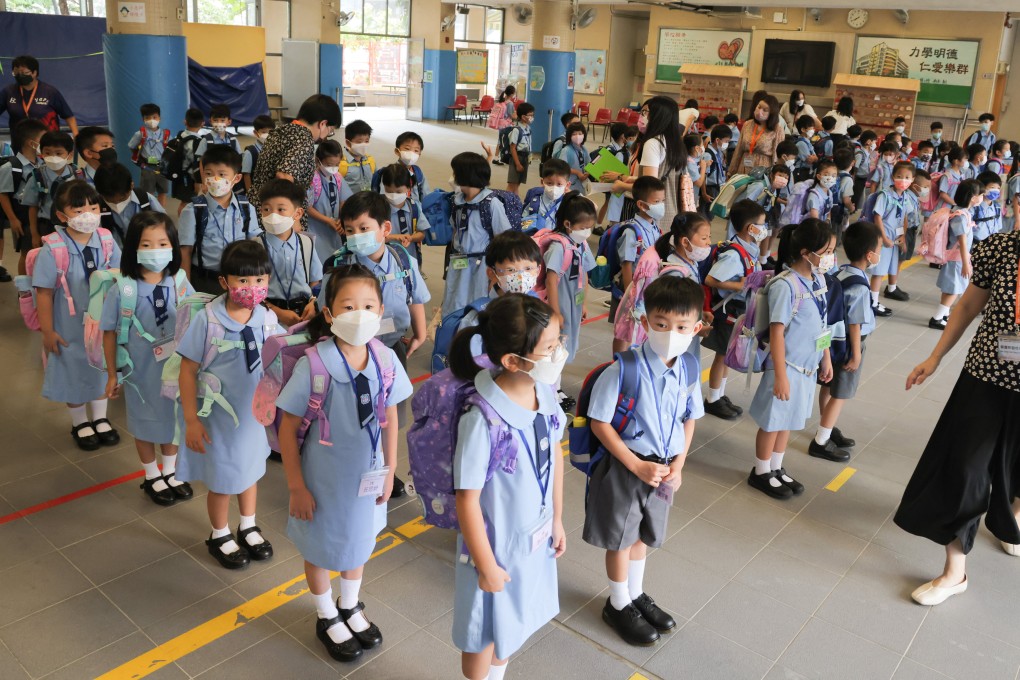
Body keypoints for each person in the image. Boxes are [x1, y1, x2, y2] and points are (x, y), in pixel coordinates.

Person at [277, 264, 412, 663]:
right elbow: (287, 429)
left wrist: (390, 468)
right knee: (320, 547)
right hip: (323, 481)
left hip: (368, 477)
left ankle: (349, 604)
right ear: (329, 313)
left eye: (368, 306)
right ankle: (325, 613)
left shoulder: (385, 359)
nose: (360, 314)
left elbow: (390, 417)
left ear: (381, 310)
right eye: (348, 306)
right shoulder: (315, 365)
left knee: (360, 541)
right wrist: (296, 487)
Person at [894, 226, 1020, 607]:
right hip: (987, 375)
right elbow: (967, 306)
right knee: (965, 467)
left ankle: (1012, 516)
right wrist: (935, 357)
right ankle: (955, 571)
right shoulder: (1001, 248)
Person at [449, 294, 566, 680]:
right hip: (493, 550)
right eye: (549, 348)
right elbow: (466, 500)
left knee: (511, 625)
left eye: (558, 342)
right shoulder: (482, 419)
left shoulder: (543, 392)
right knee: (482, 634)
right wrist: (486, 566)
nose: (559, 354)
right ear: (512, 361)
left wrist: (557, 519)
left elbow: (555, 454)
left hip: (531, 537)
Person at [583, 275, 703, 645]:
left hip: (663, 469)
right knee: (621, 539)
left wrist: (678, 465)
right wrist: (635, 465)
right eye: (661, 324)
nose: (671, 333)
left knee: (643, 535)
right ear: (646, 322)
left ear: (697, 328)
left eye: (681, 326)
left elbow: (689, 419)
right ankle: (617, 603)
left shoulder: (689, 368)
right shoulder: (624, 369)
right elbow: (599, 422)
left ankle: (634, 594)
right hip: (628, 466)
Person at [175, 239, 282, 570]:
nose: (252, 287)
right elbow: (187, 371)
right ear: (224, 282)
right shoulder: (208, 321)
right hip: (218, 421)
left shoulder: (266, 317)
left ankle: (247, 525)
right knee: (223, 480)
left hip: (253, 419)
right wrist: (191, 420)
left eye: (260, 280)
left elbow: (282, 352)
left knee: (250, 471)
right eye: (243, 280)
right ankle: (219, 533)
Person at [102, 211, 195, 505]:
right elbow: (109, 334)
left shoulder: (180, 282)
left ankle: (170, 471)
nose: (156, 250)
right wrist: (112, 374)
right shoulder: (123, 289)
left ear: (173, 246)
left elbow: (196, 319)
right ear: (133, 248)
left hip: (175, 370)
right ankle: (151, 474)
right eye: (146, 244)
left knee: (172, 419)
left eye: (162, 243)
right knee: (143, 422)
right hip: (139, 373)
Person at [747, 218, 835, 499]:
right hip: (786, 367)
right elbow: (777, 333)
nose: (831, 257)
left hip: (807, 368)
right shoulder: (785, 286)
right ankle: (761, 471)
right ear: (806, 253)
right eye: (827, 251)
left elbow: (823, 324)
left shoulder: (818, 280)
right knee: (773, 421)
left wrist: (826, 357)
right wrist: (781, 376)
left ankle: (776, 467)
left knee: (789, 421)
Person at [32, 180, 121, 450]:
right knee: (73, 370)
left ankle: (101, 418)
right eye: (79, 210)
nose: (88, 216)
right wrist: (48, 331)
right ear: (62, 216)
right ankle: (80, 421)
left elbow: (120, 274)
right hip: (68, 326)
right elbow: (44, 293)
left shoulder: (106, 240)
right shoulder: (54, 249)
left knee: (101, 367)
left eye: (93, 208)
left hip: (102, 322)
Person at [812, 221, 881, 460]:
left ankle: (827, 427)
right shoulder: (860, 286)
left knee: (828, 386)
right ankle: (821, 441)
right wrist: (857, 353)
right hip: (850, 343)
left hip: (832, 341)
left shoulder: (840, 272)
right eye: (878, 250)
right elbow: (855, 323)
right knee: (840, 393)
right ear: (869, 255)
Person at [613, 212, 713, 354]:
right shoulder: (675, 274)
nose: (709, 242)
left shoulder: (691, 262)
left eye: (709, 237)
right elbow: (672, 313)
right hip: (675, 336)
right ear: (685, 242)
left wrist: (699, 313)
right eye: (704, 238)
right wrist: (695, 328)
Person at [702, 199, 767, 420]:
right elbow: (711, 279)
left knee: (728, 354)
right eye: (762, 225)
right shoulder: (733, 254)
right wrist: (738, 286)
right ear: (751, 228)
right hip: (728, 311)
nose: (765, 229)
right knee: (722, 355)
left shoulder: (749, 249)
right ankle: (712, 399)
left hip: (739, 311)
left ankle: (719, 394)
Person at [179, 146, 261, 294]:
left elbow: (254, 244)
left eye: (222, 174)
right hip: (205, 281)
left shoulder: (246, 208)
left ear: (236, 178)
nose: (215, 179)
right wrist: (185, 288)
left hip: (239, 280)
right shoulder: (193, 210)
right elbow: (185, 252)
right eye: (208, 174)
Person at [250, 94, 342, 226]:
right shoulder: (304, 137)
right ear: (322, 124)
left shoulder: (282, 130)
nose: (328, 135)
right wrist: (293, 220)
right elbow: (284, 177)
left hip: (262, 209)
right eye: (330, 130)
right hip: (278, 218)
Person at [441, 152, 514, 316]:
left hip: (481, 266)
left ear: (465, 175)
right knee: (453, 302)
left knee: (478, 303)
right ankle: (453, 328)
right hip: (458, 261)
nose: (452, 176)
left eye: (455, 172)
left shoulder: (491, 203)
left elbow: (505, 238)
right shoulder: (457, 201)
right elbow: (455, 229)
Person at [606, 96, 690, 233]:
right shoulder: (675, 143)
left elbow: (650, 186)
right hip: (672, 211)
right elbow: (660, 177)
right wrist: (627, 178)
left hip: (653, 215)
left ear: (657, 115)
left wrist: (622, 186)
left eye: (646, 112)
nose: (642, 117)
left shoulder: (653, 143)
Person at [541, 191, 596, 380]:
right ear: (567, 224)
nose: (587, 232)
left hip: (575, 303)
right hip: (561, 302)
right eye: (583, 227)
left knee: (568, 343)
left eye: (590, 227)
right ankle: (552, 384)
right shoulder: (558, 247)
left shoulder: (582, 244)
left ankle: (556, 383)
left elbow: (585, 273)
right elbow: (550, 280)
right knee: (555, 345)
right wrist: (555, 312)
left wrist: (584, 303)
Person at [608, 176, 667, 350]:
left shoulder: (655, 228)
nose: (661, 205)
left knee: (639, 328)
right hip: (629, 290)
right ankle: (618, 361)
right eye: (657, 202)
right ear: (641, 205)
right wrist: (630, 296)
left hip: (646, 288)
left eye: (662, 201)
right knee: (623, 331)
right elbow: (626, 264)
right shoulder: (631, 231)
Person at [256, 178, 322, 327]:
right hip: (268, 315)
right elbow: (250, 288)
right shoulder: (255, 246)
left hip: (304, 315)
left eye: (281, 209)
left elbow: (315, 280)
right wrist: (278, 312)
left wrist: (313, 303)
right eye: (266, 209)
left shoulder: (306, 243)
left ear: (297, 213)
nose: (273, 215)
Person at [457, 231, 543, 334]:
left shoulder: (538, 306)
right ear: (492, 273)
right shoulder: (477, 319)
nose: (521, 277)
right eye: (511, 270)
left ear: (538, 270)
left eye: (528, 268)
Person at [930, 180, 984, 330]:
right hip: (957, 259)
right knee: (954, 290)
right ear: (973, 197)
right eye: (981, 195)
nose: (982, 198)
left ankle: (943, 315)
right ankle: (937, 318)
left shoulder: (960, 211)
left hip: (956, 257)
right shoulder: (960, 216)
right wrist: (966, 263)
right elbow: (962, 241)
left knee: (950, 288)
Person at [869, 161, 917, 314]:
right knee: (879, 272)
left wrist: (902, 236)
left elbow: (904, 217)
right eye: (899, 176)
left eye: (907, 177)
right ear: (892, 176)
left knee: (887, 269)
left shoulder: (905, 197)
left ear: (912, 179)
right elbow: (877, 217)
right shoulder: (885, 195)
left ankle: (875, 300)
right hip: (883, 240)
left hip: (894, 241)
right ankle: (872, 302)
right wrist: (884, 238)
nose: (903, 180)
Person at [0, 118, 46, 276]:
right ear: (31, 143)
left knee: (42, 252)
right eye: (43, 139)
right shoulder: (10, 167)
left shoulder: (43, 163)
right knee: (27, 253)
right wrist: (13, 219)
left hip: (41, 214)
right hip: (22, 217)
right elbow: (3, 194)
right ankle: (24, 288)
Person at [20, 131, 83, 245]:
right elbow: (32, 207)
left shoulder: (78, 176)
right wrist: (34, 234)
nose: (53, 157)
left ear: (69, 154)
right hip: (46, 226)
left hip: (74, 225)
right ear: (41, 153)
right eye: (47, 153)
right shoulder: (37, 177)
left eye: (58, 153)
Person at [93, 162, 166, 248]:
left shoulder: (145, 200)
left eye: (122, 198)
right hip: (113, 253)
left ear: (131, 185)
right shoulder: (95, 207)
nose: (116, 203)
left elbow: (164, 225)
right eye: (109, 200)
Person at [1, 55, 78, 134]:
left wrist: (76, 136)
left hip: (47, 139)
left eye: (24, 73)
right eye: (16, 73)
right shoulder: (8, 92)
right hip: (20, 139)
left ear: (34, 73)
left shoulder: (50, 92)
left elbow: (69, 117)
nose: (20, 76)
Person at [306, 140, 353, 263]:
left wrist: (341, 219)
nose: (333, 168)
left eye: (337, 164)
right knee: (320, 262)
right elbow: (307, 207)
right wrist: (328, 220)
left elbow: (343, 201)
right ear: (318, 161)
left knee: (336, 262)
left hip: (335, 229)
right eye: (329, 165)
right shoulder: (312, 180)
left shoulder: (337, 177)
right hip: (317, 231)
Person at [381, 163, 431, 267]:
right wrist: (395, 237)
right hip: (386, 261)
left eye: (398, 191)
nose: (393, 195)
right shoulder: (378, 208)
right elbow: (373, 238)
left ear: (409, 188)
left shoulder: (414, 207)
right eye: (388, 191)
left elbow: (422, 233)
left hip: (411, 259)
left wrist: (411, 238)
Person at [729, 94, 785, 179]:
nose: (760, 111)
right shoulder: (747, 124)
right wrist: (731, 171)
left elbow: (777, 156)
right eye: (759, 107)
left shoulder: (777, 129)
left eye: (765, 110)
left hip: (763, 169)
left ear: (771, 113)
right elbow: (739, 149)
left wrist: (775, 176)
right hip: (744, 166)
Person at [127, 103, 171, 206]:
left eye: (154, 117)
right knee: (148, 192)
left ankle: (161, 211)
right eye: (147, 118)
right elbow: (132, 146)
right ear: (143, 119)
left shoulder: (165, 134)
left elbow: (170, 148)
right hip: (147, 166)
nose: (152, 120)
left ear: (159, 118)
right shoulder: (140, 134)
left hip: (162, 166)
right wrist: (140, 157)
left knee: (163, 192)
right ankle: (149, 211)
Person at [170, 108, 207, 207]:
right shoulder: (198, 142)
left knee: (184, 203)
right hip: (190, 178)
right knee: (188, 204)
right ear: (202, 123)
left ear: (185, 122)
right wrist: (198, 181)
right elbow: (196, 163)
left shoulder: (179, 136)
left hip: (179, 175)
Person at [521, 159, 570, 234]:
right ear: (542, 182)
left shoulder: (568, 203)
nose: (554, 188)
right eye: (549, 183)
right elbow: (524, 220)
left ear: (567, 185)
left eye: (559, 184)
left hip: (557, 239)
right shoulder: (535, 200)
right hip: (535, 238)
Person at [384, 131, 430, 204]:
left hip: (415, 208)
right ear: (397, 151)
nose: (412, 153)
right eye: (407, 149)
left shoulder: (418, 172)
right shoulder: (391, 172)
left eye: (416, 150)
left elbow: (425, 195)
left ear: (419, 155)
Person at [505, 102, 535, 195]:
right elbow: (512, 148)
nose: (532, 117)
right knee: (512, 184)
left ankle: (515, 201)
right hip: (517, 158)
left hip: (525, 158)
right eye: (530, 115)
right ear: (523, 117)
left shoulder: (528, 128)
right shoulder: (516, 130)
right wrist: (517, 164)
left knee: (517, 184)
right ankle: (507, 201)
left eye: (533, 115)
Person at [242, 115, 276, 194]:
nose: (267, 135)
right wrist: (250, 193)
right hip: (256, 193)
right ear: (256, 133)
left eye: (270, 132)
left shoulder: (275, 150)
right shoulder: (250, 153)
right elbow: (246, 175)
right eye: (264, 132)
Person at [701, 124, 730, 216]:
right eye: (726, 141)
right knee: (705, 214)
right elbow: (703, 175)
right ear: (717, 140)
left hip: (716, 187)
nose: (727, 144)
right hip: (709, 189)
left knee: (711, 214)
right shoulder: (708, 154)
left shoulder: (718, 152)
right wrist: (704, 193)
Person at [340, 119, 375, 194]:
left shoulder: (370, 160)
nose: (364, 145)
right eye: (359, 142)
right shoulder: (340, 163)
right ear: (348, 143)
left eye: (366, 141)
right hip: (349, 200)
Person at [558, 123, 591, 194]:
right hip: (571, 183)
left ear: (584, 135)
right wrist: (577, 172)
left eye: (580, 134)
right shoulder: (566, 150)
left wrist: (588, 173)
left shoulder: (584, 149)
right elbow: (562, 167)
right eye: (574, 134)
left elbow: (589, 163)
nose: (577, 136)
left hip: (582, 183)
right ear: (569, 136)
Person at [972, 171, 1003, 241]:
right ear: (982, 187)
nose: (996, 191)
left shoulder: (997, 207)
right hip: (976, 244)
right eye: (992, 187)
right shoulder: (974, 207)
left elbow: (999, 227)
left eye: (998, 188)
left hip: (992, 243)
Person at [683, 133, 707, 211]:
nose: (703, 147)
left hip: (693, 196)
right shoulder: (689, 162)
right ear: (697, 148)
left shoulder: (693, 159)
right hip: (688, 198)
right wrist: (703, 167)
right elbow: (699, 182)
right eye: (702, 144)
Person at [794, 115, 819, 180]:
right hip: (801, 171)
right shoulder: (801, 143)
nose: (813, 130)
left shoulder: (807, 142)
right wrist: (815, 158)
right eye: (811, 128)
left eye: (813, 128)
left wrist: (815, 158)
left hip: (806, 171)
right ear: (803, 129)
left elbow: (814, 157)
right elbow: (809, 160)